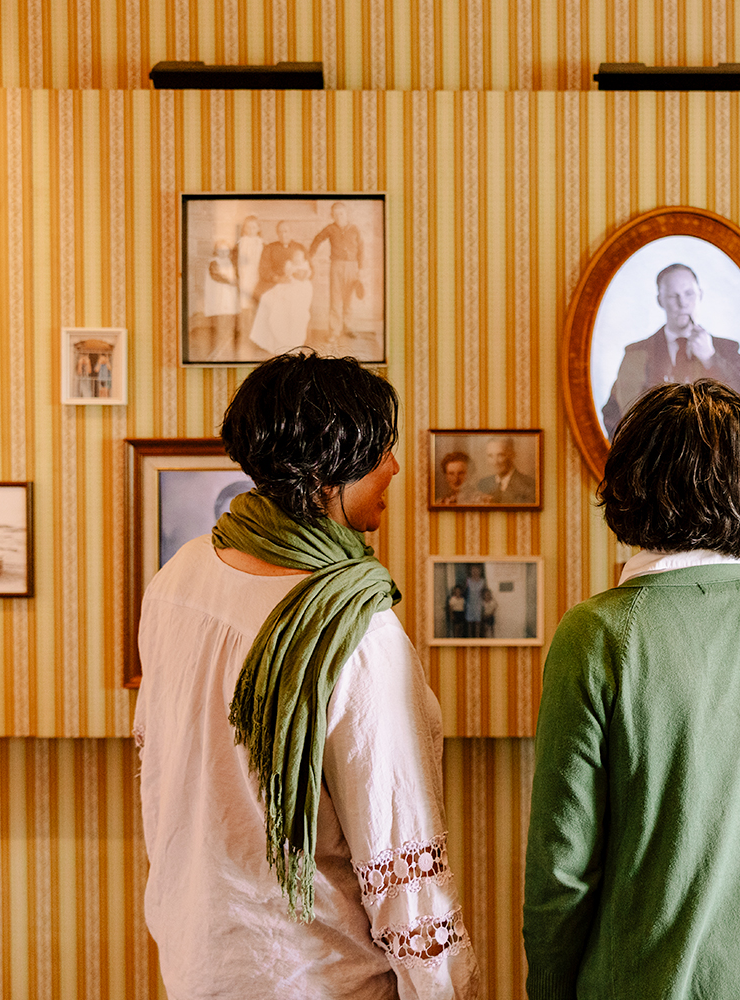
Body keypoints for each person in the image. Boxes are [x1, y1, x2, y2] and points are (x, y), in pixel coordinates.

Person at [134, 353, 478, 999]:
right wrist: (444, 989)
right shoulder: (358, 630)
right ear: (328, 471)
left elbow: (162, 781)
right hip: (322, 977)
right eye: (381, 451)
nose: (395, 468)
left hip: (199, 961)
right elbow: (397, 848)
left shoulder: (179, 577)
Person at [524, 379, 740, 1000]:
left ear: (629, 484)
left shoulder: (597, 634)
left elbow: (562, 865)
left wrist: (548, 986)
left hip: (664, 976)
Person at [599, 263, 740, 437]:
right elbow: (615, 415)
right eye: (672, 296)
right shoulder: (637, 353)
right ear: (660, 300)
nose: (682, 303)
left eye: (689, 294)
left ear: (700, 295)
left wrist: (711, 358)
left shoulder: (725, 349)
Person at [309, 201, 366, 342]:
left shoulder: (354, 229)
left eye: (341, 213)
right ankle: (334, 331)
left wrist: (361, 268)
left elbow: (361, 249)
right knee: (335, 299)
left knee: (348, 299)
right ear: (332, 216)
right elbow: (318, 238)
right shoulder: (330, 228)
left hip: (352, 266)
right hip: (336, 266)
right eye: (335, 214)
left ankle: (348, 327)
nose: (339, 216)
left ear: (346, 214)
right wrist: (310, 254)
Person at [249, 248, 315, 356]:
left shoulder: (305, 265)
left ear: (303, 259)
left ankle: (292, 344)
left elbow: (305, 276)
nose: (297, 260)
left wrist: (300, 274)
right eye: (295, 258)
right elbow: (287, 275)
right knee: (268, 298)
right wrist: (291, 273)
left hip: (301, 288)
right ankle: (275, 342)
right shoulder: (289, 265)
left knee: (294, 308)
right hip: (288, 285)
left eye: (299, 258)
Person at [204, 236, 242, 356]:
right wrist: (230, 281)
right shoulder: (214, 262)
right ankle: (218, 349)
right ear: (216, 251)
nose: (223, 253)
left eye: (226, 251)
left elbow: (235, 275)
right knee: (220, 320)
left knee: (229, 320)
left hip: (229, 295)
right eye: (220, 250)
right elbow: (216, 275)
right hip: (219, 294)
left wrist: (236, 281)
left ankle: (227, 346)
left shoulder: (230, 262)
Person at [473, 438, 536, 505]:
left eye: (500, 455)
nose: (495, 462)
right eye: (490, 456)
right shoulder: (483, 484)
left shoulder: (529, 485)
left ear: (512, 455)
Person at [234, 215, 266, 336]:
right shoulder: (240, 243)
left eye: (254, 227)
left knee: (256, 302)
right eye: (248, 227)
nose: (251, 230)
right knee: (244, 303)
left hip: (257, 276)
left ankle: (257, 333)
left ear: (258, 228)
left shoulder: (262, 244)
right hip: (244, 276)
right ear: (244, 229)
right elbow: (235, 261)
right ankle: (245, 331)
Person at [462, 565, 486, 638]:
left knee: (477, 623)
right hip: (470, 603)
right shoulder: (468, 580)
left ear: (480, 571)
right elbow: (463, 591)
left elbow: (484, 593)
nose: (475, 572)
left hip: (478, 603)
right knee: (470, 623)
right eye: (473, 570)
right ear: (471, 571)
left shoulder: (482, 581)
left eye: (477, 570)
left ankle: (477, 638)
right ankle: (470, 638)